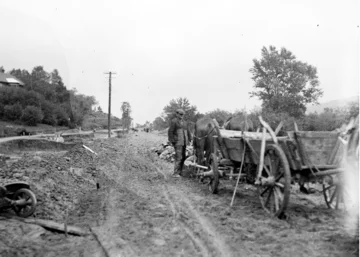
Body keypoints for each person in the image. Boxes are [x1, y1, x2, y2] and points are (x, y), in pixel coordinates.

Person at [168, 109, 192, 178]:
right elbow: (170, 132)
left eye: (182, 114)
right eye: (180, 114)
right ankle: (175, 173)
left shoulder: (185, 122)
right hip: (177, 142)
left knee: (184, 157)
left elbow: (188, 131)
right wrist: (172, 141)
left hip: (184, 142)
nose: (181, 116)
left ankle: (181, 172)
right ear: (177, 114)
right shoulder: (174, 121)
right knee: (179, 157)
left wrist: (190, 139)